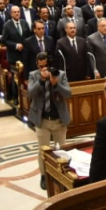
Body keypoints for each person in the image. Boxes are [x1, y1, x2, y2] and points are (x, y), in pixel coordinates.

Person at [27, 51, 71, 190]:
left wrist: (55, 84)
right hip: (42, 121)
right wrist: (41, 80)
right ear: (37, 65)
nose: (44, 69)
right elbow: (30, 94)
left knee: (61, 151)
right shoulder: (33, 75)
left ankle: (61, 174)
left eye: (46, 66)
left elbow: (68, 94)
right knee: (43, 151)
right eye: (41, 67)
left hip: (59, 120)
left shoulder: (60, 74)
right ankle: (44, 175)